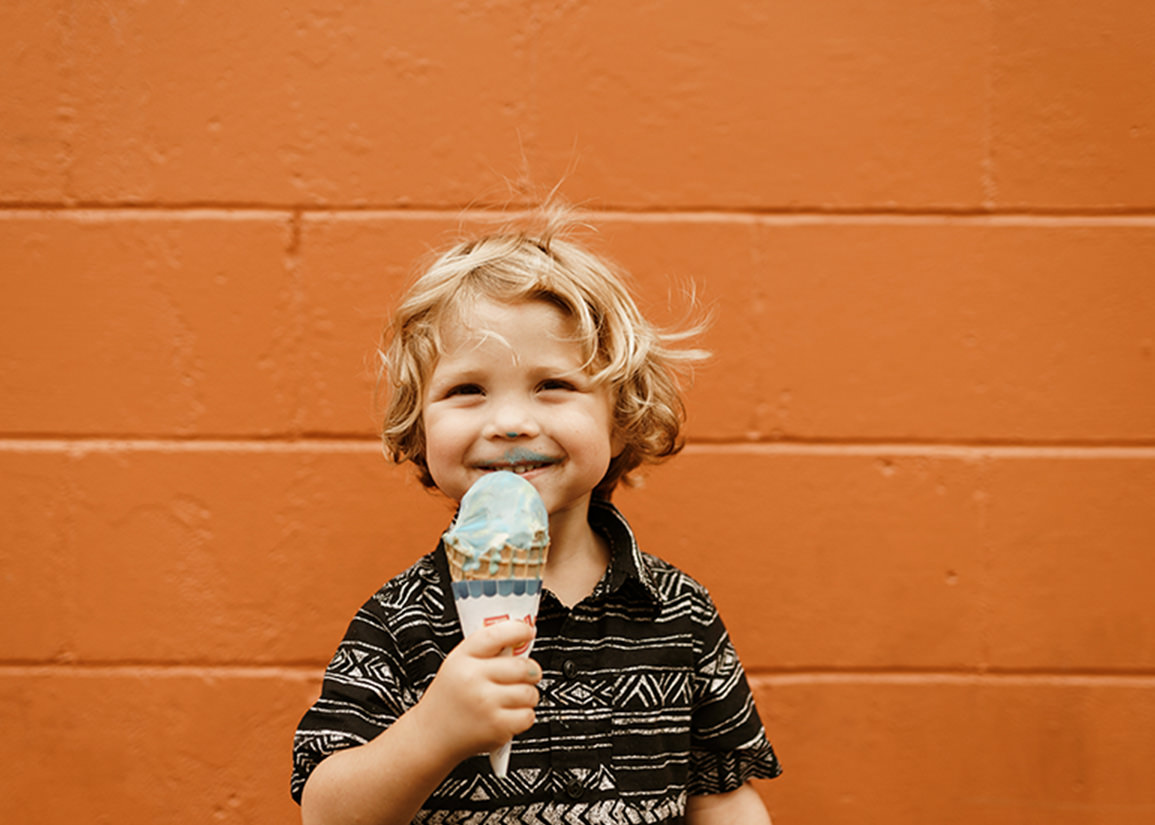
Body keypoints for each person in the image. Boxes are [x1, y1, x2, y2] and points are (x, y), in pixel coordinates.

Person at [291, 206, 782, 824]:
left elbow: (722, 795)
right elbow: (326, 814)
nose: (510, 422)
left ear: (620, 417)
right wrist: (432, 732)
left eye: (553, 384)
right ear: (419, 429)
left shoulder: (678, 612)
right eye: (467, 390)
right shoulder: (403, 618)